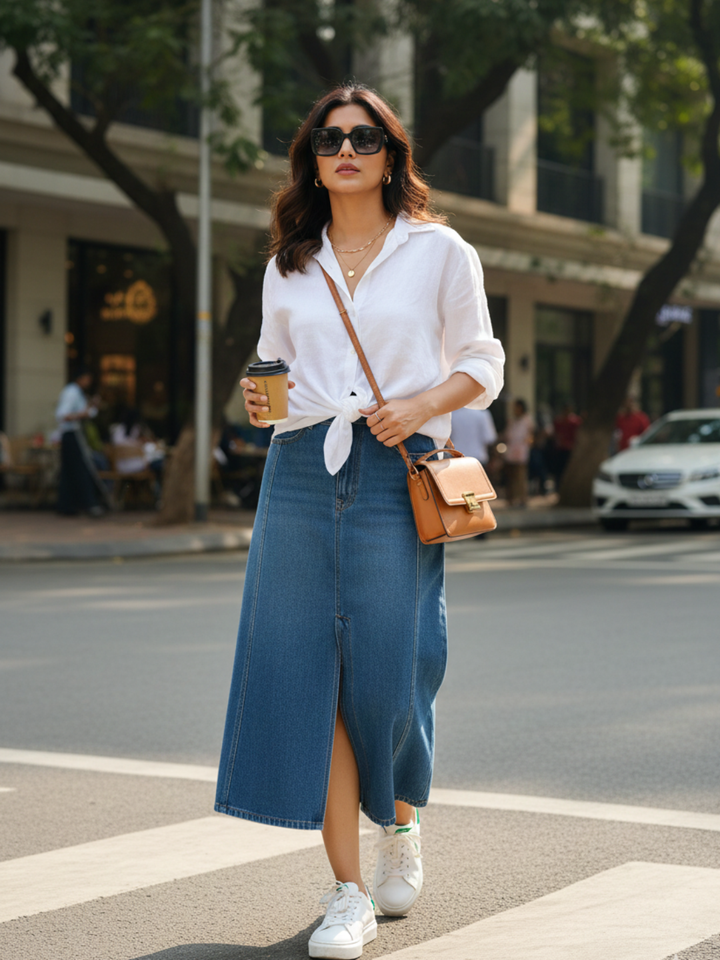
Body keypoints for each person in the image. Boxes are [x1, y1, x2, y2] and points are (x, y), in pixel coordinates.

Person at [214, 84, 504, 959]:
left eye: (365, 137)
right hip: (300, 469)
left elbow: (483, 362)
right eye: (329, 138)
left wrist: (420, 403)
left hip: (394, 467)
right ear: (311, 159)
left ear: (390, 154)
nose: (346, 150)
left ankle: (401, 825)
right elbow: (273, 368)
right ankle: (346, 891)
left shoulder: (439, 251)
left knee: (394, 671)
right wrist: (260, 397)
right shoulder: (289, 263)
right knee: (314, 678)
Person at [55, 369, 106, 516]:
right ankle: (89, 504)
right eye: (87, 378)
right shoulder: (72, 392)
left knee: (68, 471)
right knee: (80, 468)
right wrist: (83, 414)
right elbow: (63, 414)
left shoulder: (76, 392)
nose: (88, 382)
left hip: (72, 434)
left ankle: (66, 506)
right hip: (72, 434)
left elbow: (85, 412)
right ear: (80, 378)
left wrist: (91, 407)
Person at [503, 398, 534, 506]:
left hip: (521, 452)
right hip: (511, 451)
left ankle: (522, 498)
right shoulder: (512, 421)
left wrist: (526, 445)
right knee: (511, 476)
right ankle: (511, 498)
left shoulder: (527, 421)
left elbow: (530, 437)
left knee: (521, 476)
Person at [552, 402, 582, 484]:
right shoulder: (559, 421)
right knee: (559, 470)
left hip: (570, 448)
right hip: (560, 448)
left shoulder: (575, 421)